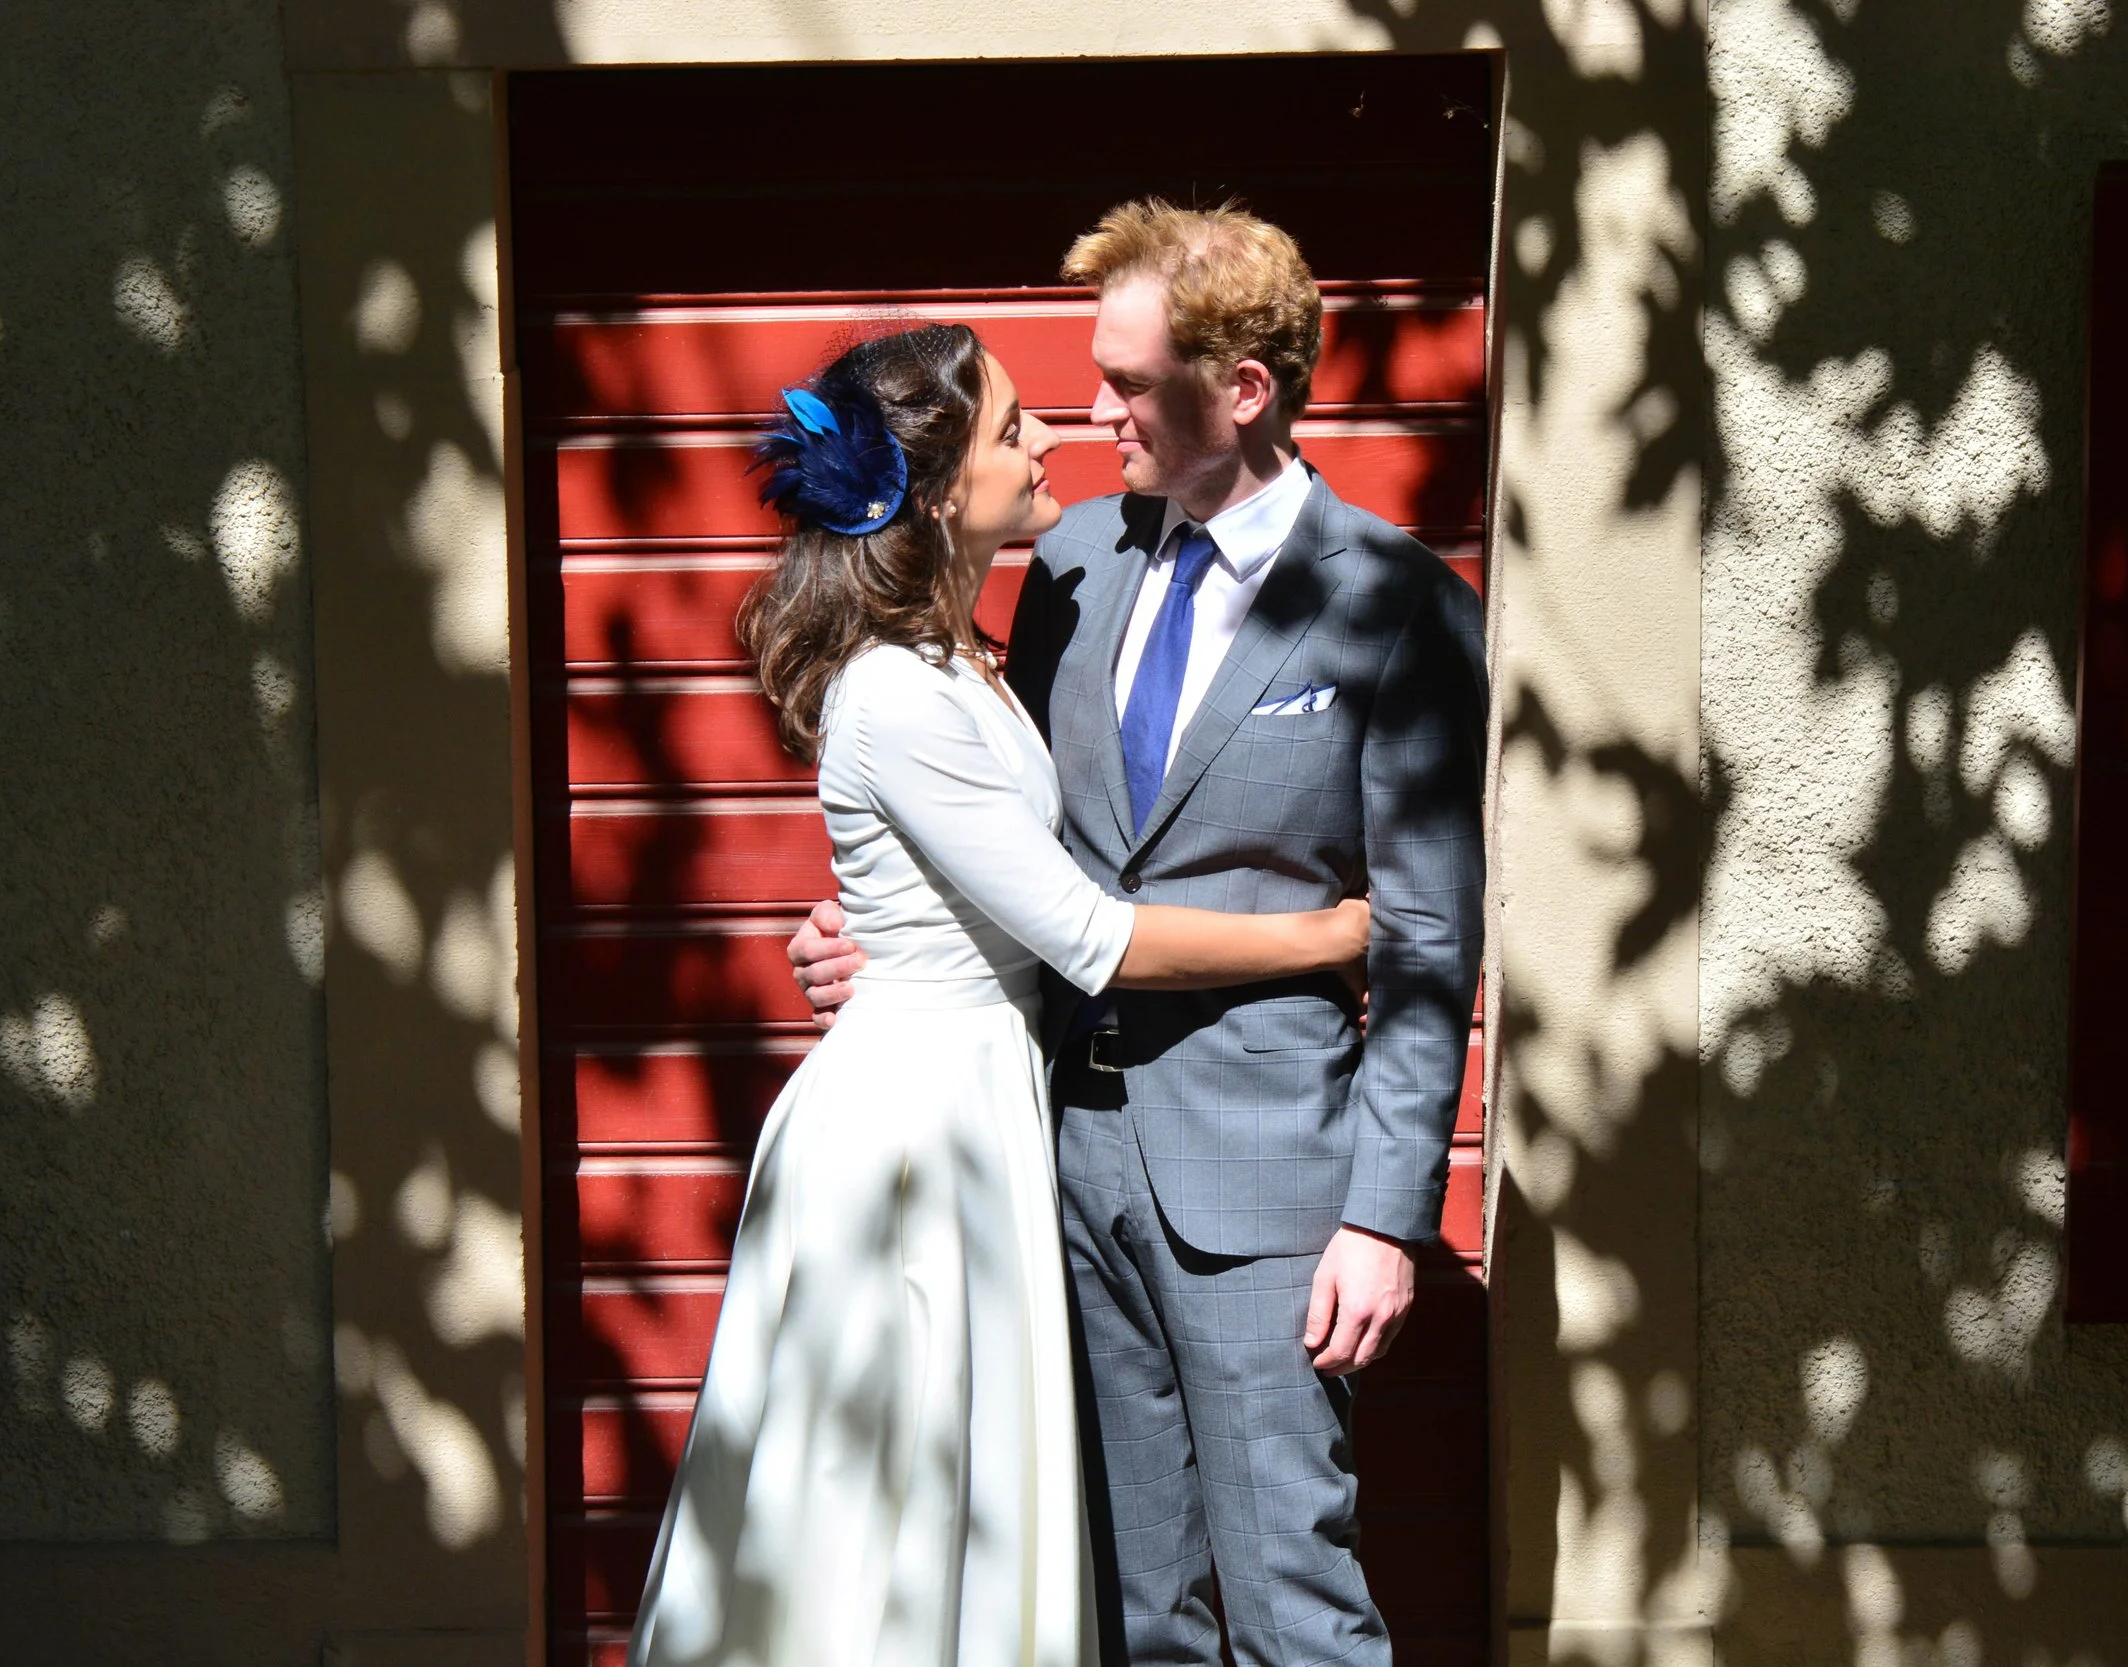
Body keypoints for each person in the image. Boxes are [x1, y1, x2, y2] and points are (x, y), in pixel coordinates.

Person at [789, 202, 1488, 1667]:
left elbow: (1426, 933)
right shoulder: (1077, 563)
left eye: (1124, 380)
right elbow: (1016, 846)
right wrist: (894, 938)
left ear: (1241, 387)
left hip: (1265, 1189)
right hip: (1058, 1165)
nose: (1089, 409)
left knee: (1295, 1606)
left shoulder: (1398, 606)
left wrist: (1385, 1212)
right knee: (1128, 1614)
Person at [626, 323, 1380, 1667]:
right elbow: (1087, 930)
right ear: (931, 493)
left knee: (970, 1501)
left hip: (986, 1100)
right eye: (1014, 427)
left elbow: (1015, 875)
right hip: (914, 1142)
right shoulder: (896, 692)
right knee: (892, 1517)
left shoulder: (983, 646)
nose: (1051, 440)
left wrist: (888, 934)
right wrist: (1328, 936)